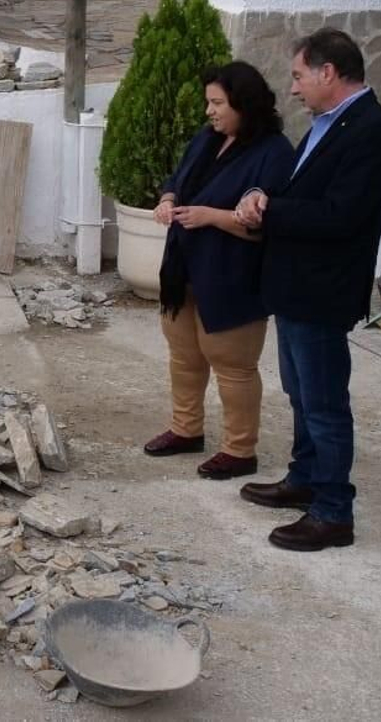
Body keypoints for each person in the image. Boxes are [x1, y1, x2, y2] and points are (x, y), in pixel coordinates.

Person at [234, 28, 381, 552]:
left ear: (327, 72)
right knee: (301, 394)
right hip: (294, 285)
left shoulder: (373, 131)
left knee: (326, 403)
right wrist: (265, 195)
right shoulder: (327, 125)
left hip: (323, 289)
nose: (293, 88)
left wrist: (271, 210)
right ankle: (303, 478)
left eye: (298, 75)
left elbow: (341, 215)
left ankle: (333, 512)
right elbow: (298, 189)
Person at [145, 61, 296, 480]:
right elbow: (177, 179)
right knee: (184, 357)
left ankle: (239, 449)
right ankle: (186, 428)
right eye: (208, 102)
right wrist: (168, 198)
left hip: (232, 274)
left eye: (217, 103)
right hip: (184, 269)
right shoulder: (208, 139)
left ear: (244, 105)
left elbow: (268, 221)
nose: (209, 111)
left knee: (232, 364)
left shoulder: (275, 153)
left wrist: (213, 216)